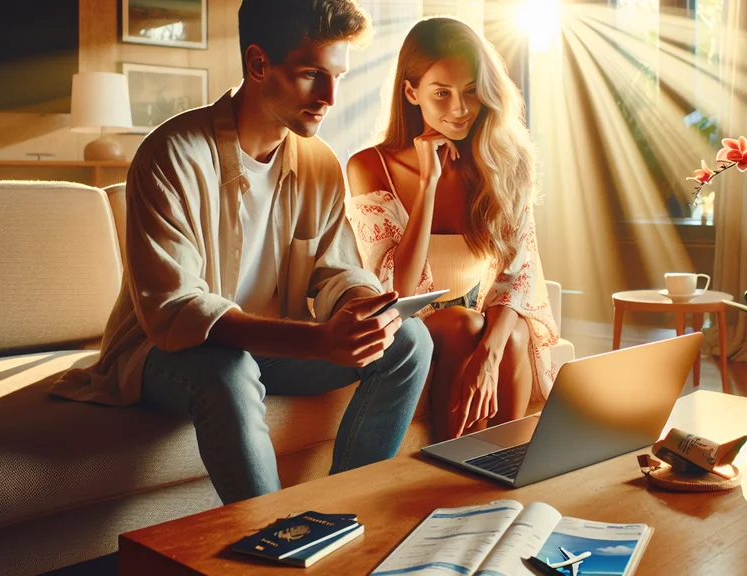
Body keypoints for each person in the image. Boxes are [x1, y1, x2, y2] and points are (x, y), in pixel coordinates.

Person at [49, 0, 433, 505]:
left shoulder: (318, 163)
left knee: (409, 341)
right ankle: (276, 541)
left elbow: (338, 271)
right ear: (257, 64)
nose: (330, 96)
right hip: (161, 354)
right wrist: (319, 343)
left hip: (271, 351)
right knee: (229, 370)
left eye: (337, 76)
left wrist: (360, 307)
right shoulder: (171, 156)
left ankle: (343, 514)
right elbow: (175, 311)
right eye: (311, 74)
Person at [346, 17, 558, 442]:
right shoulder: (370, 166)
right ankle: (451, 459)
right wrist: (428, 181)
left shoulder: (507, 161)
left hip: (478, 314)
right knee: (463, 324)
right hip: (404, 322)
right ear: (411, 92)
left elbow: (517, 274)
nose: (459, 109)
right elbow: (397, 290)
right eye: (441, 94)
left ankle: (502, 466)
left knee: (511, 332)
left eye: (470, 91)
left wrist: (489, 355)